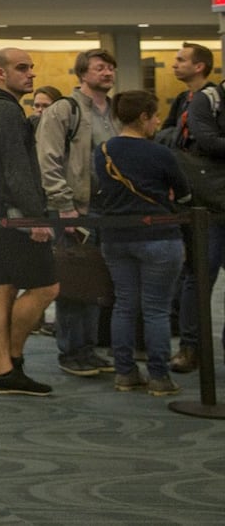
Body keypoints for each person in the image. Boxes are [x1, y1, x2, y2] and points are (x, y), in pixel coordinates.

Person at [92, 90, 191, 396]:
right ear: (144, 117)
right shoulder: (160, 153)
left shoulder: (103, 150)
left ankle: (125, 373)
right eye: (156, 116)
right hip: (159, 237)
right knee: (156, 310)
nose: (159, 122)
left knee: (124, 305)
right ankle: (159, 377)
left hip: (116, 238)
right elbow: (184, 194)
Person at [0, 47, 60, 396]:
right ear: (0, 73)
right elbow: (16, 169)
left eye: (31, 67)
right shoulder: (5, 110)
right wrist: (35, 216)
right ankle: (7, 357)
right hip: (13, 214)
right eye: (21, 68)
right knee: (45, 287)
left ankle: (4, 368)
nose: (30, 74)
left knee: (4, 285)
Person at [37, 48, 117, 379]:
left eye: (111, 68)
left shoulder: (115, 111)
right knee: (75, 280)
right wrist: (64, 205)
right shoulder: (64, 110)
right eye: (100, 68)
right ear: (83, 74)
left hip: (109, 208)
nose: (108, 73)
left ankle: (90, 347)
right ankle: (72, 350)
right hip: (74, 208)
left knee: (98, 280)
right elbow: (49, 160)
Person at [167, 42, 222, 375]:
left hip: (214, 198)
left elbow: (208, 140)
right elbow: (174, 135)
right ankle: (190, 346)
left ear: (199, 66)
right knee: (198, 277)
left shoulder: (209, 98)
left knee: (198, 277)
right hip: (202, 203)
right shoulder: (184, 100)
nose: (174, 65)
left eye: (181, 60)